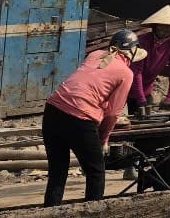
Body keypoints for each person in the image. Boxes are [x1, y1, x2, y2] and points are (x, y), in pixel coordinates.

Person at [42, 30, 144, 206]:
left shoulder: (95, 54)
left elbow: (91, 84)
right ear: (131, 52)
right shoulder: (126, 73)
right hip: (79, 118)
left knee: (57, 170)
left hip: (53, 110)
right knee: (96, 171)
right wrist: (103, 139)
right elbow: (113, 113)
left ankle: (49, 212)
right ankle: (92, 215)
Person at [131, 5, 170, 115]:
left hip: (146, 89)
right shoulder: (142, 41)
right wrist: (140, 99)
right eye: (161, 26)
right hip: (128, 86)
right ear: (155, 26)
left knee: (146, 122)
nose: (164, 29)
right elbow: (136, 72)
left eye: (168, 27)